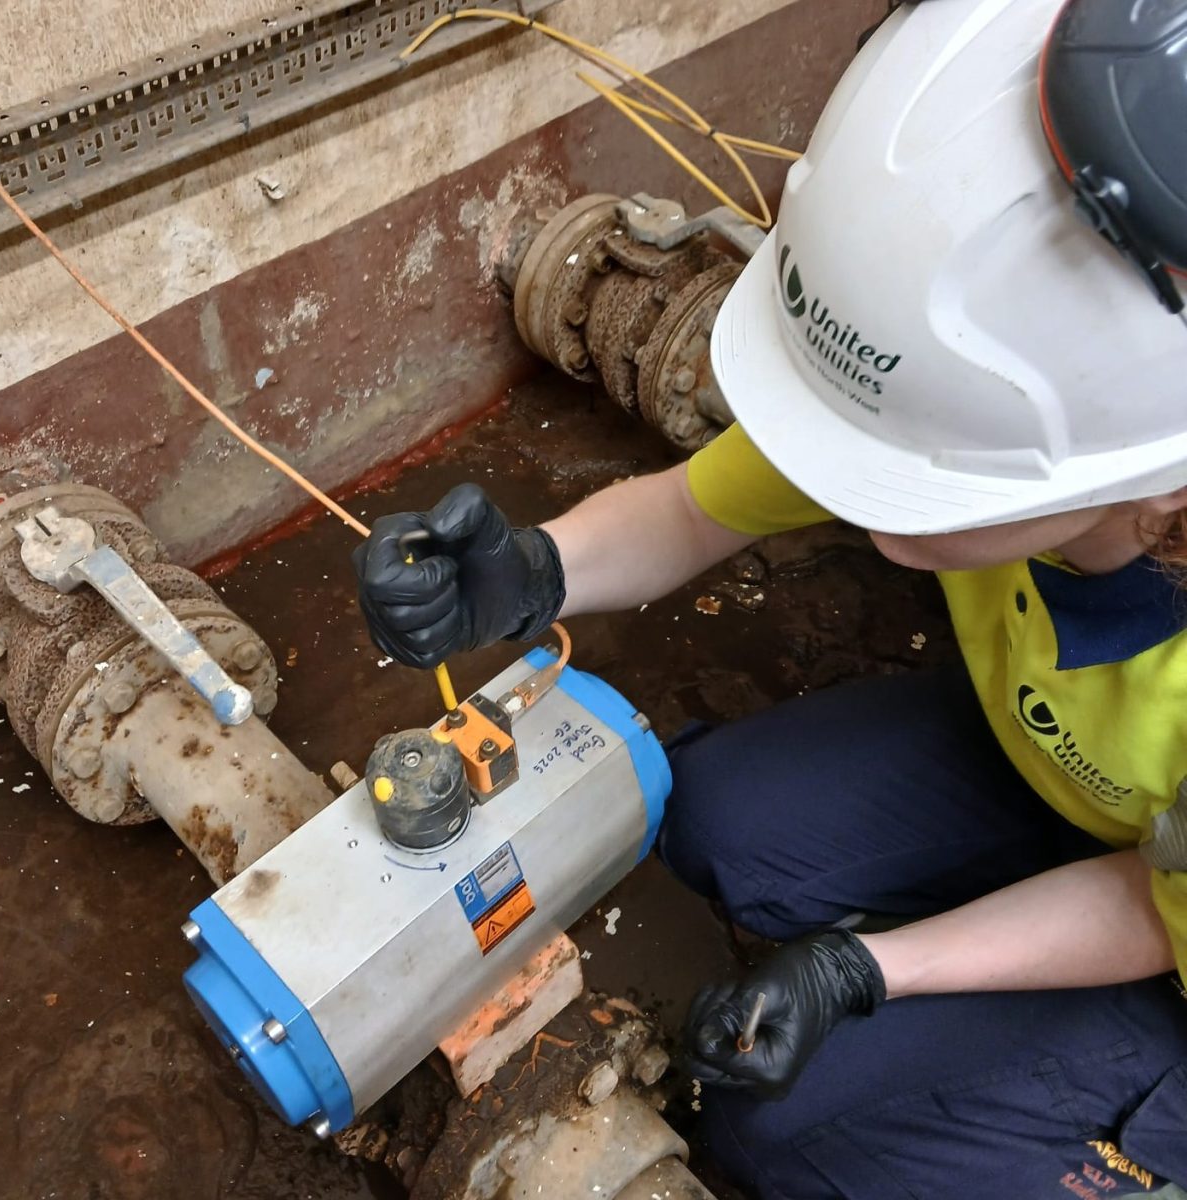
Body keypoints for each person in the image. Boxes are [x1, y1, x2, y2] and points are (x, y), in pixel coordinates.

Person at [353, 1, 1187, 1195]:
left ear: (1152, 474)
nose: (863, 498)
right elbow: (697, 508)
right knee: (711, 815)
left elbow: (1162, 913)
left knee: (778, 1137)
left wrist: (872, 971)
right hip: (1087, 785)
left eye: (911, 477)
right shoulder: (1020, 440)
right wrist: (527, 573)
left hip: (1171, 937)